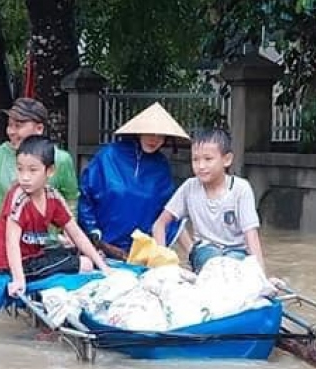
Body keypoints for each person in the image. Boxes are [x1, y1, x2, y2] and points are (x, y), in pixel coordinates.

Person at [0, 135, 109, 298]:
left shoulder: (52, 197)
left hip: (35, 255)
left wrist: (104, 267)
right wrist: (19, 280)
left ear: (50, 171)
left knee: (77, 252)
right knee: (86, 264)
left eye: (33, 170)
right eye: (20, 169)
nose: (25, 177)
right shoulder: (19, 199)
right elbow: (11, 242)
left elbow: (75, 233)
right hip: (17, 263)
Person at [77, 102, 187, 259]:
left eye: (160, 135)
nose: (154, 139)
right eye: (150, 132)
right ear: (139, 131)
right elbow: (86, 196)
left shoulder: (161, 166)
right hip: (102, 248)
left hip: (141, 252)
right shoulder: (108, 155)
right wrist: (92, 231)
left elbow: (169, 211)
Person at [150, 129, 268, 272]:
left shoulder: (241, 189)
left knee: (235, 264)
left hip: (237, 253)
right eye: (195, 159)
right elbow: (160, 224)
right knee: (212, 260)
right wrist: (162, 262)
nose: (201, 166)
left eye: (208, 159)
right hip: (204, 251)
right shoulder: (189, 187)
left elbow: (251, 235)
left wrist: (261, 275)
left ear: (227, 160)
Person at [0, 97, 78, 237]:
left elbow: (71, 198)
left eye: (18, 126)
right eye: (9, 125)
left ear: (39, 128)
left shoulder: (61, 160)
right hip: (3, 242)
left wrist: (67, 233)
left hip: (48, 245)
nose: (11, 131)